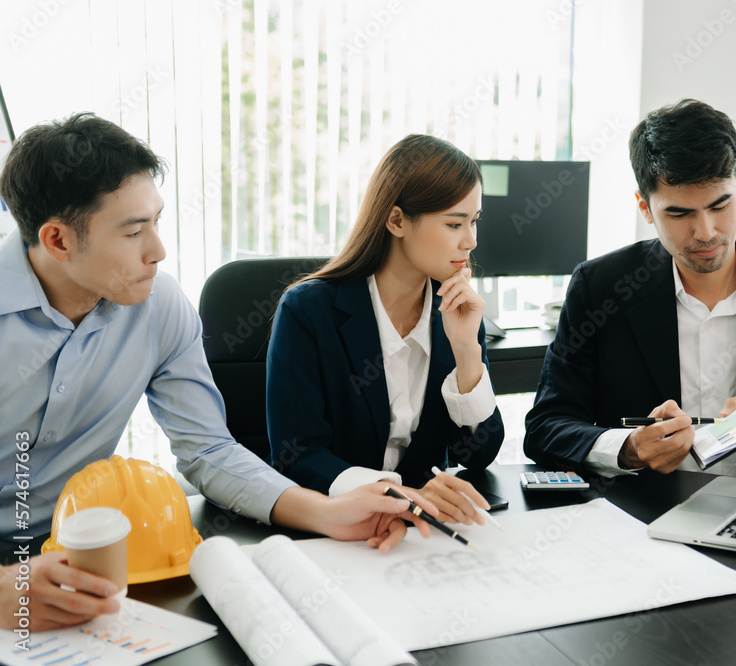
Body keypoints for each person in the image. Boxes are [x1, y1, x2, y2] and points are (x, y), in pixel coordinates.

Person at [0, 113, 439, 632]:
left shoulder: (158, 305)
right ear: (57, 241)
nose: (158, 251)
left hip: (86, 550)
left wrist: (325, 511)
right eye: (134, 231)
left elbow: (207, 448)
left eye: (156, 222)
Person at [524, 99, 736, 487]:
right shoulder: (601, 287)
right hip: (646, 513)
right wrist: (628, 448)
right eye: (679, 214)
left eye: (721, 205)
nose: (706, 232)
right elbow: (545, 428)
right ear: (644, 208)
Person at [266, 134, 505, 525]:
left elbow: (478, 455)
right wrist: (399, 494)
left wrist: (466, 354)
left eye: (474, 221)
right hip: (335, 528)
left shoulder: (458, 312)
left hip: (422, 532)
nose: (471, 241)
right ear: (396, 220)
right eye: (454, 223)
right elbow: (298, 456)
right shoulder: (308, 312)